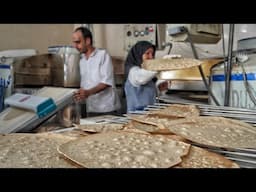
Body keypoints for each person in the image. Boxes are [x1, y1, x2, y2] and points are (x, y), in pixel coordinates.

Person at [72, 26, 121, 117]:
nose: (75, 46)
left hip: (107, 108)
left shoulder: (102, 55)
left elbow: (106, 82)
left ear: (87, 41)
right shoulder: (82, 61)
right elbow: (85, 85)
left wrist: (88, 92)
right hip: (91, 108)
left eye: (78, 42)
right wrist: (81, 94)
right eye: (74, 43)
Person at [124, 41, 169, 113]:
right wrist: (162, 64)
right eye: (147, 53)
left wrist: (159, 89)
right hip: (137, 115)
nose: (151, 57)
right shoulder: (133, 71)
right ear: (138, 54)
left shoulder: (146, 72)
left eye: (152, 54)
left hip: (150, 113)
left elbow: (148, 93)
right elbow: (141, 78)